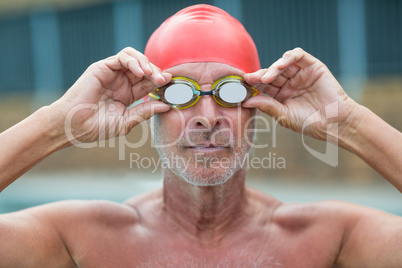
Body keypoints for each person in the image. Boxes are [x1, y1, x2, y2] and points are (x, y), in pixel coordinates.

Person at [0, 4, 401, 267]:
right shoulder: (84, 239)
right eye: (180, 93)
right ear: (150, 104)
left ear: (256, 107)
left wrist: (348, 123)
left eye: (229, 92)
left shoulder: (327, 240)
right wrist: (57, 123)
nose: (207, 117)